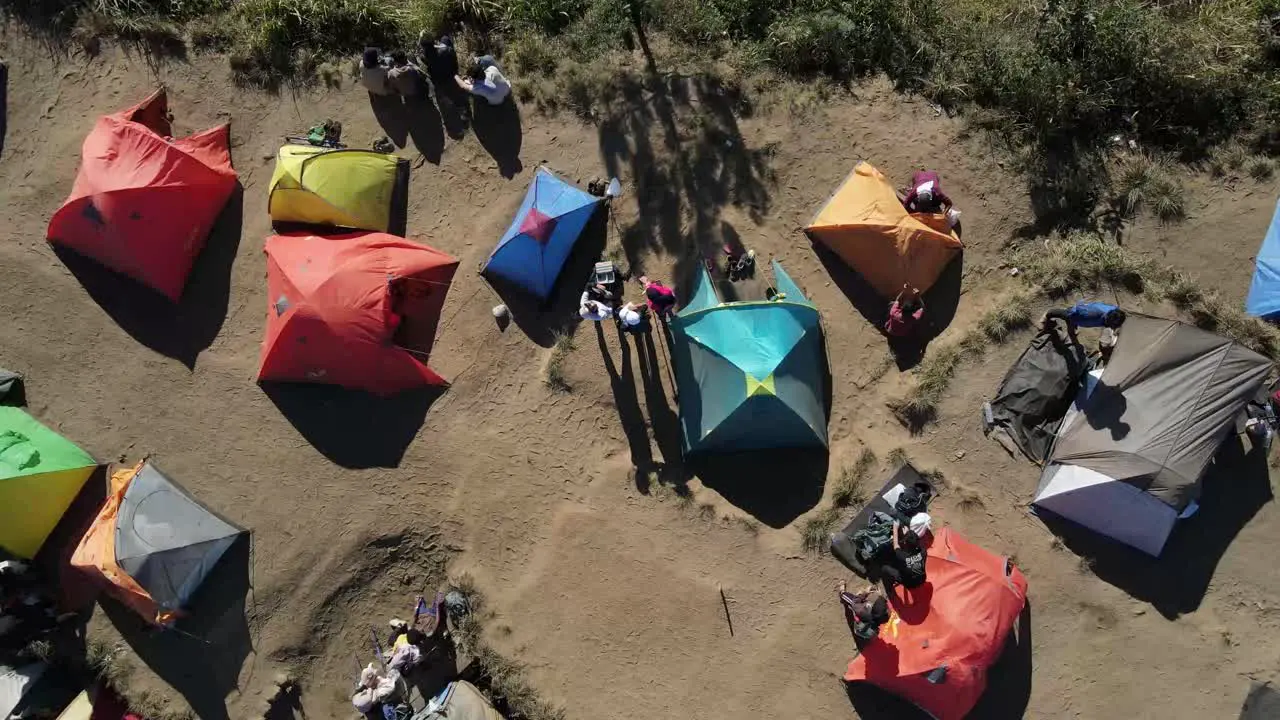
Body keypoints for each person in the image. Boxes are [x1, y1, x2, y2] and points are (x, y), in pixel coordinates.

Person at [838, 582, 890, 650]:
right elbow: (881, 610)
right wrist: (880, 596)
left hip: (860, 618)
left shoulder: (862, 610)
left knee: (851, 599)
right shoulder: (882, 617)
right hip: (869, 625)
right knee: (866, 632)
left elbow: (855, 603)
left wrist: (864, 593)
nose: (889, 610)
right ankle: (860, 638)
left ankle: (842, 593)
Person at [1044, 301, 1126, 330]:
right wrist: (1074, 320)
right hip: (1073, 314)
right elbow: (1077, 313)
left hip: (1081, 316)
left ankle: (1072, 329)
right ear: (1108, 319)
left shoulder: (1113, 309)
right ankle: (1047, 315)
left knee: (1072, 325)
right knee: (1063, 314)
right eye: (1112, 325)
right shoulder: (1093, 315)